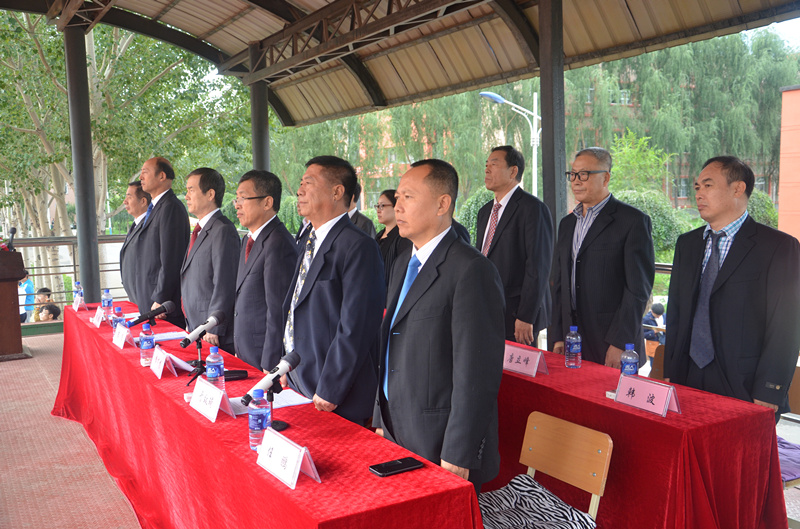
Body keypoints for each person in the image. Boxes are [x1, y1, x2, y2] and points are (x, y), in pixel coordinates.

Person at [374, 159, 505, 493]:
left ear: (442, 204)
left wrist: (459, 451)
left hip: (439, 440)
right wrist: (380, 417)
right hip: (395, 426)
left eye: (408, 197)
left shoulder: (470, 270)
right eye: (397, 197)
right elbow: (391, 341)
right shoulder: (403, 261)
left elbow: (477, 372)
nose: (397, 206)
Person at [665, 156, 800, 417]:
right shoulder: (687, 244)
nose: (699, 194)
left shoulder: (778, 247)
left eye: (708, 185)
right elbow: (677, 313)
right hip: (687, 375)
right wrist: (671, 370)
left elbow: (786, 325)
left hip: (745, 384)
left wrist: (769, 389)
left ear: (738, 188)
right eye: (696, 187)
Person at [284, 156, 385, 425]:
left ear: (337, 191)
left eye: (308, 183)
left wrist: (331, 387)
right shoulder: (310, 239)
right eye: (300, 183)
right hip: (299, 378)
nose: (299, 190)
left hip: (333, 394)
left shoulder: (358, 246)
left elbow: (357, 326)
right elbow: (295, 306)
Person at [549, 147, 655, 368]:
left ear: (605, 178)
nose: (576, 181)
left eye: (584, 174)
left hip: (612, 343)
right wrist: (558, 335)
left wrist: (620, 342)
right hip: (572, 341)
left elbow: (638, 290)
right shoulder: (567, 224)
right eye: (573, 174)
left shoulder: (632, 221)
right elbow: (559, 285)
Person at [476, 146, 554, 345]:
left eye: (494, 164)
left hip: (517, 315)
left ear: (513, 171)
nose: (487, 169)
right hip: (486, 309)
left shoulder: (533, 209)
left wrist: (526, 316)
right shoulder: (485, 212)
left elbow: (538, 267)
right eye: (486, 165)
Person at [234, 170, 298, 371]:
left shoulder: (278, 243)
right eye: (236, 198)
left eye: (243, 198)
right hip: (245, 351)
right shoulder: (248, 239)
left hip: (264, 358)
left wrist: (270, 362)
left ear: (267, 202)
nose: (237, 204)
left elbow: (278, 310)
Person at [180, 168, 240, 351]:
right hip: (195, 325)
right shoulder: (199, 230)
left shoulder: (223, 230)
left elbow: (225, 281)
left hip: (212, 332)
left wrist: (214, 326)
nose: (186, 196)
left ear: (210, 194)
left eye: (191, 190)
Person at [134, 157, 190, 328]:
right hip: (150, 299)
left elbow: (171, 259)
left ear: (162, 176)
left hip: (162, 307)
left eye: (145, 172)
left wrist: (161, 297)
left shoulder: (171, 207)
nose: (141, 177)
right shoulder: (156, 207)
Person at [119, 181, 151, 306]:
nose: (125, 201)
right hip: (135, 294)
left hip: (146, 294)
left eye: (129, 197)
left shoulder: (149, 225)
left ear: (143, 201)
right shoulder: (136, 224)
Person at [374, 189, 411, 286]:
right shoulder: (378, 236)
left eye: (382, 206)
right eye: (377, 206)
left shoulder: (403, 238)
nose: (378, 210)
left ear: (396, 207)